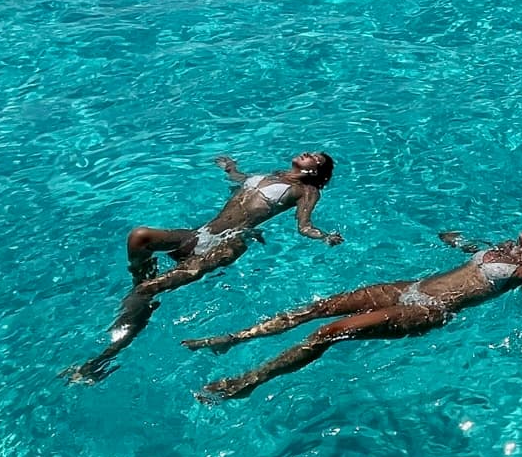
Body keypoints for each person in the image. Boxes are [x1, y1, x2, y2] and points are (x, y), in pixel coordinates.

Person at [184, 223, 522, 401]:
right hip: (409, 287)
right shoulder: (504, 247)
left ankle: (252, 379)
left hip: (430, 309)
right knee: (318, 309)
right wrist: (454, 238)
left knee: (331, 332)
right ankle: (234, 339)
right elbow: (466, 251)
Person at [67, 152, 341, 382]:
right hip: (203, 232)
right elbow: (243, 183)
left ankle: (102, 358)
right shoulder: (277, 174)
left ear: (315, 170)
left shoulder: (306, 191)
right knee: (139, 236)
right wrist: (230, 168)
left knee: (144, 291)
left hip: (227, 243)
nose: (307, 154)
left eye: (314, 157)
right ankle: (141, 294)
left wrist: (325, 236)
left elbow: (304, 226)